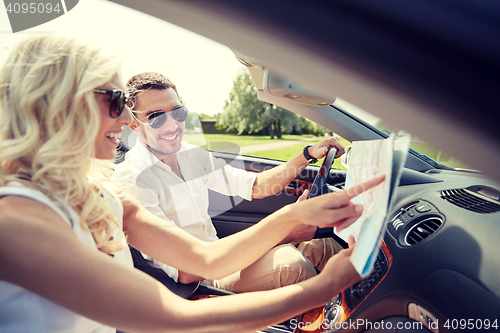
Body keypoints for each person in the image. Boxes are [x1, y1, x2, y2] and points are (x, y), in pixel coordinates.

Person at [0, 34, 384, 333]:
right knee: (296, 265)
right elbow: (176, 312)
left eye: (177, 112)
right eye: (116, 102)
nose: (126, 121)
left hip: (207, 273)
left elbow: (208, 256)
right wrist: (319, 285)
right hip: (188, 297)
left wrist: (293, 212)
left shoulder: (103, 195)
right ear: (59, 105)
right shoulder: (17, 222)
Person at [116, 72, 347, 291]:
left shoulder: (191, 155)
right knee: (291, 264)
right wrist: (285, 229)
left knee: (321, 244)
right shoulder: (133, 180)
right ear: (133, 124)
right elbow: (187, 271)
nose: (172, 125)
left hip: (221, 256)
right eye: (156, 117)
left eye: (177, 112)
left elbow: (256, 186)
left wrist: (307, 154)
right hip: (198, 279)